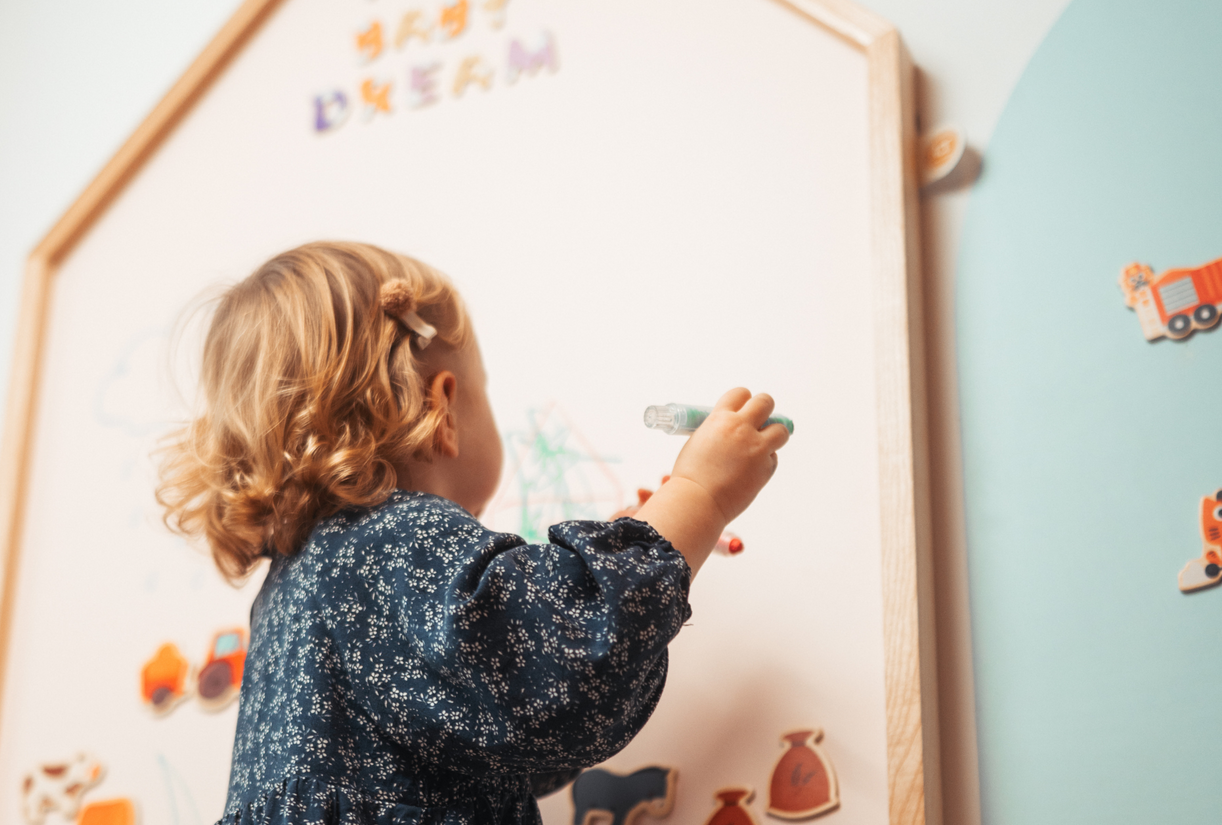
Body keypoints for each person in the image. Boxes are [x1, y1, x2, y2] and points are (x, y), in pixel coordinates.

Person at [158, 242, 788, 825]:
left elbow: (502, 733)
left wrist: (629, 543)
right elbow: (564, 668)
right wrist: (697, 498)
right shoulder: (396, 543)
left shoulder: (294, 586)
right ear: (443, 407)